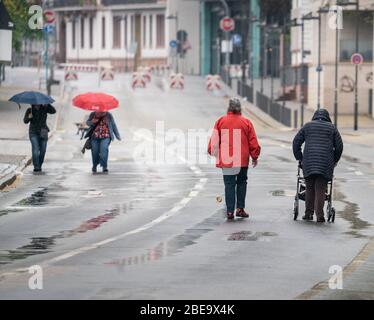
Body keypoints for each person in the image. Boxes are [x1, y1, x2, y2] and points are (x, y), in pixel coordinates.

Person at [208, 98, 261, 220]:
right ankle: (240, 209)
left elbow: (215, 140)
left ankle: (230, 211)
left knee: (229, 184)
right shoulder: (246, 122)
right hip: (242, 159)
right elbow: (252, 141)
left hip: (227, 159)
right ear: (239, 109)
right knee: (242, 182)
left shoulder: (220, 121)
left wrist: (213, 151)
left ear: (229, 108)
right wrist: (255, 156)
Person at [293, 109, 343, 223]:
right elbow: (339, 147)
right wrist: (334, 160)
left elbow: (296, 142)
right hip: (325, 163)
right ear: (327, 117)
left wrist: (300, 158)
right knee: (320, 188)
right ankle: (320, 216)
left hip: (309, 163)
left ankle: (308, 214)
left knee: (309, 187)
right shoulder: (332, 128)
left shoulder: (307, 126)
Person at [23, 104, 56, 173]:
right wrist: (29, 117)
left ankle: (39, 165)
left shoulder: (44, 108)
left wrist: (48, 105)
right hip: (33, 132)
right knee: (35, 149)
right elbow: (25, 121)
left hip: (43, 132)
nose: (37, 105)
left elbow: (53, 111)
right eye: (35, 104)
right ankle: (36, 167)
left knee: (43, 150)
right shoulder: (30, 110)